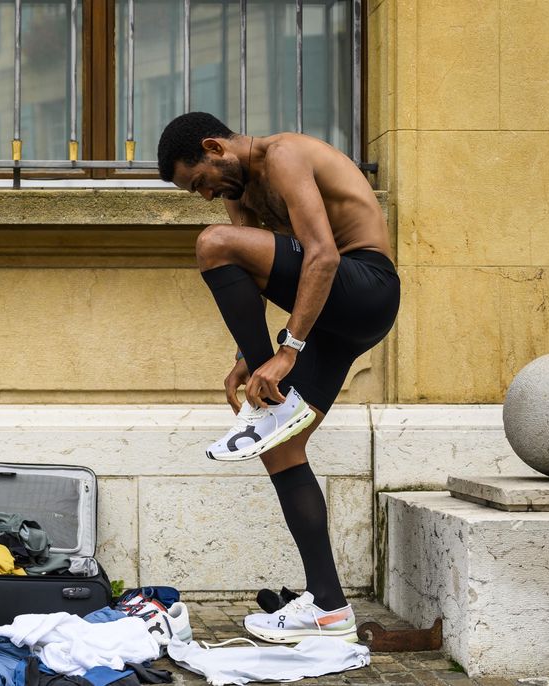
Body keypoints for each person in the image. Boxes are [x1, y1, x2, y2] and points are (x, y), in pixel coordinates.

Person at [157, 112, 400, 643]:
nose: (203, 195)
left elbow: (323, 255)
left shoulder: (285, 154)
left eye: (199, 181)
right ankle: (330, 608)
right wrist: (250, 358)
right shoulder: (239, 194)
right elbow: (258, 274)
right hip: (329, 318)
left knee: (211, 242)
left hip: (366, 287)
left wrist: (286, 351)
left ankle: (272, 377)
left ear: (214, 147)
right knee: (278, 445)